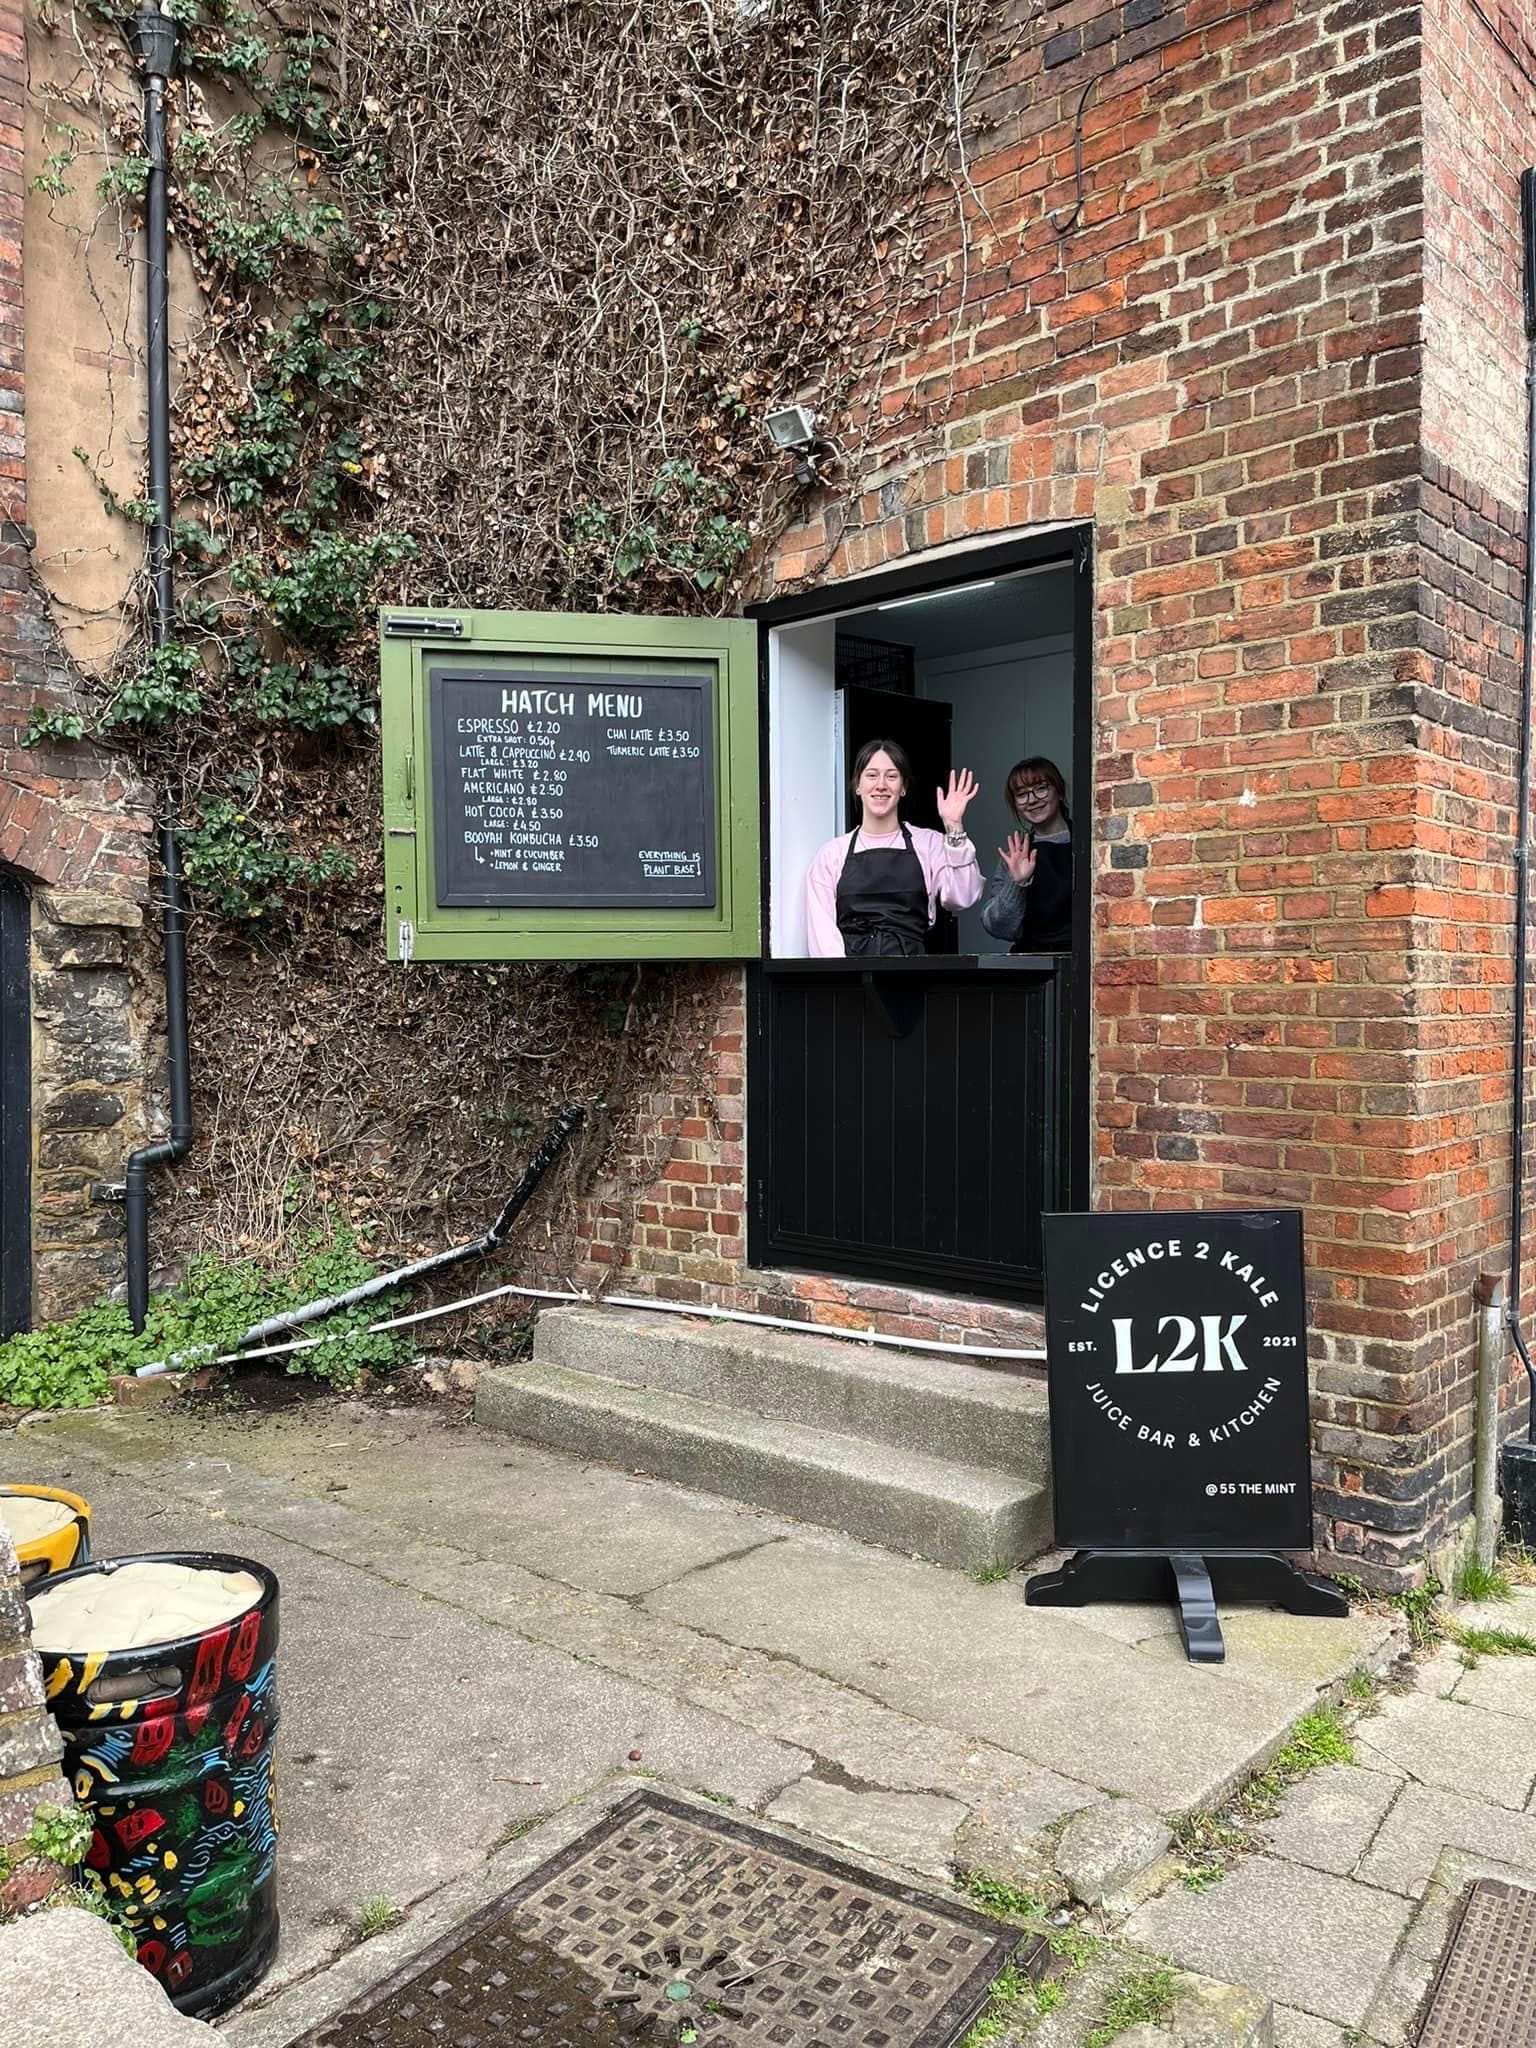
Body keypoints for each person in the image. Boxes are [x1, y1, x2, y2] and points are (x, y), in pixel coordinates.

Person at [805, 739, 982, 956]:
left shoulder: (929, 844)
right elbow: (822, 936)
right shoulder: (832, 854)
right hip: (850, 973)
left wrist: (954, 826)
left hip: (912, 970)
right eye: (871, 775)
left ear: (903, 787)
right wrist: (846, 976)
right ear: (857, 785)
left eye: (891, 776)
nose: (881, 785)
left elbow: (962, 898)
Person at [979, 755, 1073, 951]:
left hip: (1082, 959)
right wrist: (1017, 883)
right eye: (1022, 794)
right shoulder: (1015, 854)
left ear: (1059, 791)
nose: (1032, 800)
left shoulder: (1090, 845)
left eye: (1041, 788)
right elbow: (996, 927)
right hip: (1033, 961)